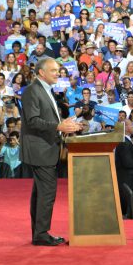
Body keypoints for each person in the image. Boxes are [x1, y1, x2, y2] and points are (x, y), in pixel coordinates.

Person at [20, 57, 82, 246]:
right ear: (41, 72)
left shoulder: (47, 90)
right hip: (40, 149)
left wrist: (67, 123)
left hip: (46, 148)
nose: (58, 73)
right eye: (54, 70)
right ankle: (41, 234)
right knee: (46, 192)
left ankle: (39, 232)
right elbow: (33, 121)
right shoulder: (32, 90)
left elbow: (50, 118)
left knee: (40, 193)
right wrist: (59, 127)